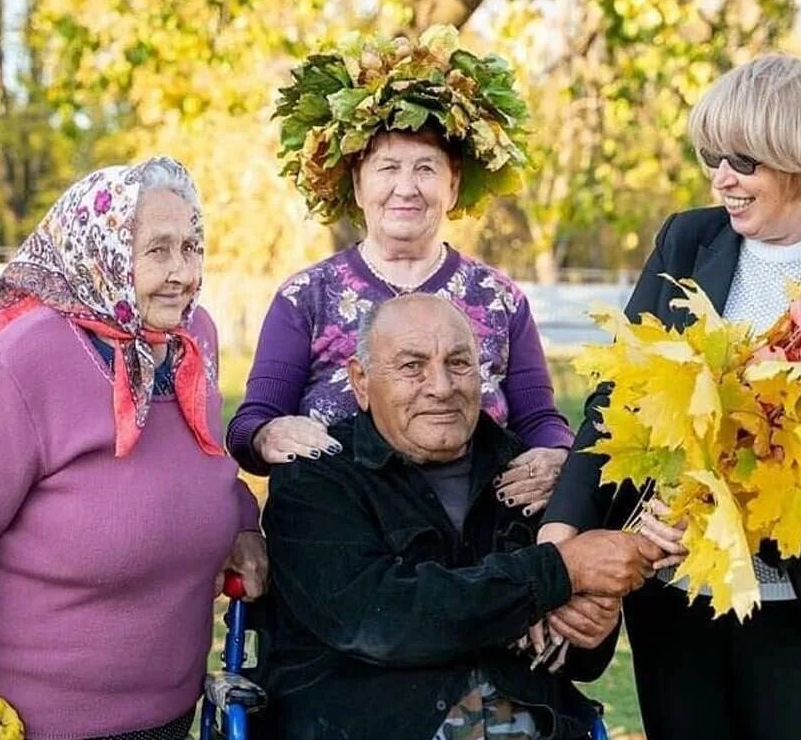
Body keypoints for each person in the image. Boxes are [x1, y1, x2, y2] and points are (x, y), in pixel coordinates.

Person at [540, 55, 801, 740]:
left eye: (743, 160)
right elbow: (616, 400)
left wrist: (741, 505)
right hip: (679, 606)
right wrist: (560, 540)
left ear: (800, 156)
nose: (723, 176)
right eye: (711, 156)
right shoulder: (686, 239)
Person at [0, 157, 268, 740]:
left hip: (174, 713)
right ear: (103, 253)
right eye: (159, 250)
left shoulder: (192, 340)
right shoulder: (31, 359)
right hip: (41, 723)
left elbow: (198, 464)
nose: (183, 272)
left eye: (193, 247)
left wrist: (241, 523)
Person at [255, 294, 661, 740]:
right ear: (361, 381)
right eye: (413, 367)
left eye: (459, 363)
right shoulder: (317, 480)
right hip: (363, 720)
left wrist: (593, 624)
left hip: (528, 720)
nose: (442, 386)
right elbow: (379, 620)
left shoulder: (528, 474)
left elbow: (580, 659)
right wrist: (557, 572)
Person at [227, 27, 570, 517]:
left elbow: (540, 419)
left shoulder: (500, 298)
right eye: (388, 168)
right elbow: (249, 425)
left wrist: (555, 456)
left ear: (454, 188)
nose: (406, 188)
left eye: (426, 169)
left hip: (478, 537)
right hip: (342, 536)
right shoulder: (306, 297)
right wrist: (268, 434)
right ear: (357, 185)